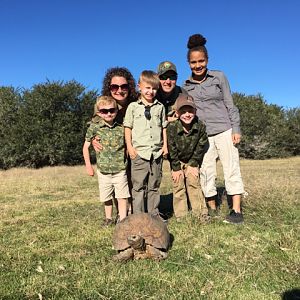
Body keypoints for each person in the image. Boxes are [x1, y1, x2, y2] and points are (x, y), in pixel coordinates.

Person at [182, 33, 245, 224]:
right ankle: (212, 208)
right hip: (203, 135)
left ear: (207, 60)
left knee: (231, 168)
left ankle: (236, 211)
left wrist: (236, 129)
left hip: (225, 129)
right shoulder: (186, 85)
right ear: (189, 63)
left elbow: (230, 103)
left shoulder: (219, 77)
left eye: (201, 61)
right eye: (194, 62)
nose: (198, 65)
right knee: (207, 171)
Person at [91, 67, 138, 217]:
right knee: (117, 180)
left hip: (136, 149)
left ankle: (135, 209)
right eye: (114, 86)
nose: (119, 90)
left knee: (133, 180)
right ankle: (122, 213)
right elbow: (94, 124)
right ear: (109, 88)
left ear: (129, 87)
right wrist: (93, 139)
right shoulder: (105, 105)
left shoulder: (137, 103)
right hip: (115, 154)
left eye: (123, 86)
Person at [123, 70, 168, 215]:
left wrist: (165, 146)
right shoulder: (133, 107)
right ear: (139, 87)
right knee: (138, 186)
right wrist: (130, 147)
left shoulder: (160, 107)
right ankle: (139, 216)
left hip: (156, 154)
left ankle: (154, 215)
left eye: (154, 88)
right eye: (147, 88)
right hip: (139, 153)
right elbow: (127, 128)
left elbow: (163, 127)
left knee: (154, 186)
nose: (151, 91)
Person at [83, 96, 130, 226]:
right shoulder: (94, 128)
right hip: (103, 171)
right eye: (104, 111)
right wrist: (88, 166)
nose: (109, 113)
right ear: (98, 113)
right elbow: (85, 147)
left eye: (111, 110)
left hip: (120, 169)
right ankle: (108, 218)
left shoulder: (122, 127)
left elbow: (127, 145)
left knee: (122, 196)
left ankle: (123, 218)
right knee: (106, 197)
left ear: (116, 111)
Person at [167, 94, 209, 222]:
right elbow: (171, 148)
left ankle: (201, 214)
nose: (187, 114)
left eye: (190, 111)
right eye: (183, 111)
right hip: (177, 160)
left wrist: (193, 164)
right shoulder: (172, 127)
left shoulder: (200, 126)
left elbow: (201, 145)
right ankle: (182, 216)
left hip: (192, 160)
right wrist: (176, 168)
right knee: (178, 184)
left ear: (195, 111)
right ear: (177, 113)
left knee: (193, 182)